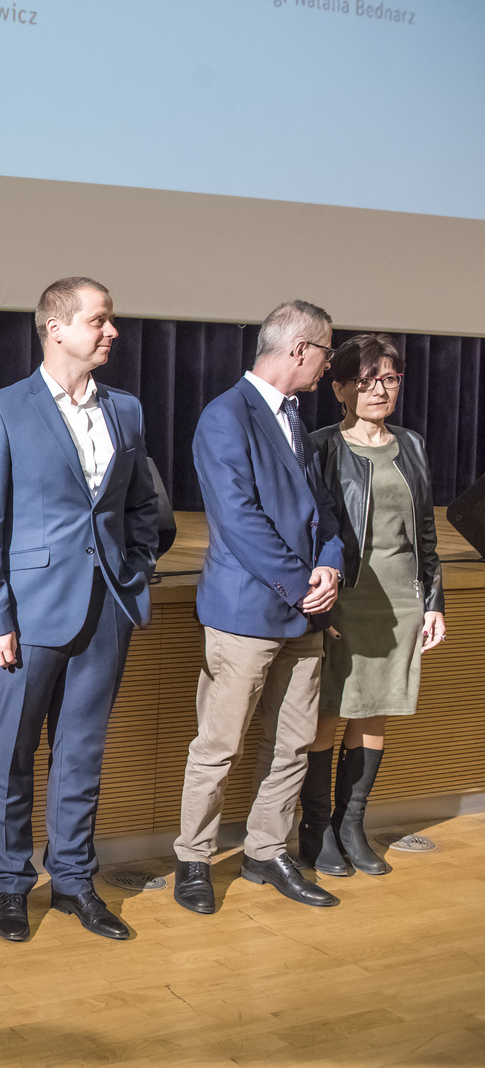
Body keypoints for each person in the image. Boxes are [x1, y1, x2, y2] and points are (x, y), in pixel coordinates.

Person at [0, 276, 162, 943]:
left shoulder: (126, 410)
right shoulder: (0, 410)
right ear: (56, 328)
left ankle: (74, 881)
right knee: (12, 755)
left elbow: (141, 505)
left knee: (81, 754)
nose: (112, 331)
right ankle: (12, 885)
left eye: (111, 319)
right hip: (26, 616)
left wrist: (136, 568)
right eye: (99, 320)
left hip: (106, 609)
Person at [174, 300, 345, 914]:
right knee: (219, 746)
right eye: (327, 352)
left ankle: (265, 851)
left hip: (305, 613)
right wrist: (303, 586)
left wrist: (331, 567)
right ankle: (193, 859)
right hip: (247, 613)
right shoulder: (225, 415)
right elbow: (239, 521)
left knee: (292, 743)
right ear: (300, 349)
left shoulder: (294, 416)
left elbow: (325, 511)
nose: (328, 365)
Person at [299, 334, 445, 877]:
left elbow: (425, 532)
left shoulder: (412, 444)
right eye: (364, 381)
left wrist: (433, 602)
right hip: (343, 597)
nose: (379, 390)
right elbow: (307, 532)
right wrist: (319, 609)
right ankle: (316, 830)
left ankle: (350, 825)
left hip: (399, 600)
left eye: (389, 378)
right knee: (327, 712)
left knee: (375, 708)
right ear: (338, 388)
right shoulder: (320, 446)